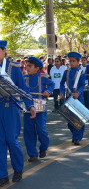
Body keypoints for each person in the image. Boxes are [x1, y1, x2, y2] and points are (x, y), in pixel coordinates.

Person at [0, 40, 36, 187]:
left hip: (10, 107)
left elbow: (23, 88)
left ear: (4, 51)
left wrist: (30, 105)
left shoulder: (13, 68)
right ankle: (2, 175)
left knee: (11, 139)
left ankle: (18, 169)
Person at [23, 57, 55, 162]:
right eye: (27, 65)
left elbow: (52, 84)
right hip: (28, 106)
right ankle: (32, 153)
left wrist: (48, 91)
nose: (28, 68)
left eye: (30, 66)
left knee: (41, 129)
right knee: (29, 131)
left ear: (37, 68)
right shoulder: (25, 78)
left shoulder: (42, 77)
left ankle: (43, 148)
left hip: (40, 106)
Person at [60, 52, 86, 145]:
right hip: (69, 97)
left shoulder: (81, 72)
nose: (71, 63)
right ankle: (75, 135)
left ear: (78, 62)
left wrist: (78, 93)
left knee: (79, 119)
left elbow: (83, 85)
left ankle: (77, 137)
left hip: (78, 97)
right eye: (70, 61)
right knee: (70, 120)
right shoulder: (66, 72)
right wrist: (62, 92)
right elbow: (61, 83)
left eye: (74, 61)